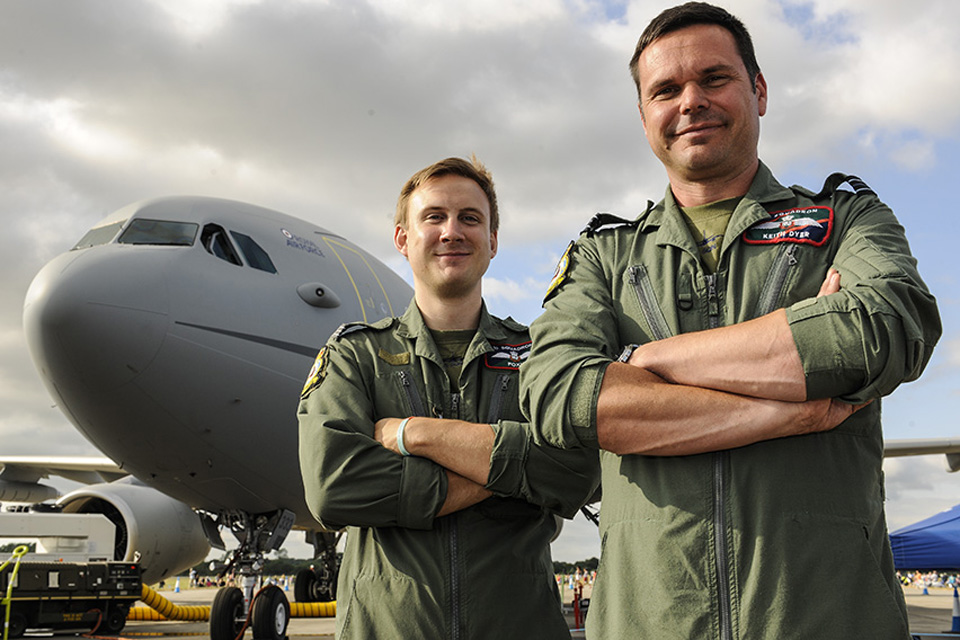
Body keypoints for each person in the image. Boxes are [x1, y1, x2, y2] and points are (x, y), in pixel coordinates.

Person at [520, 3, 941, 639]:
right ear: (644, 117)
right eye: (666, 89)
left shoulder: (845, 219)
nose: (691, 101)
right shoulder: (602, 256)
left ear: (759, 91)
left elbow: (881, 329)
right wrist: (790, 405)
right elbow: (559, 396)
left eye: (714, 79)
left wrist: (645, 363)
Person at [298, 156, 599, 639]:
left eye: (470, 218)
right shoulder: (355, 356)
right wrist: (509, 467)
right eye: (433, 216)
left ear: (493, 241)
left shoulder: (539, 355)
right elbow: (335, 486)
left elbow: (579, 471)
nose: (451, 231)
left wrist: (416, 434)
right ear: (403, 239)